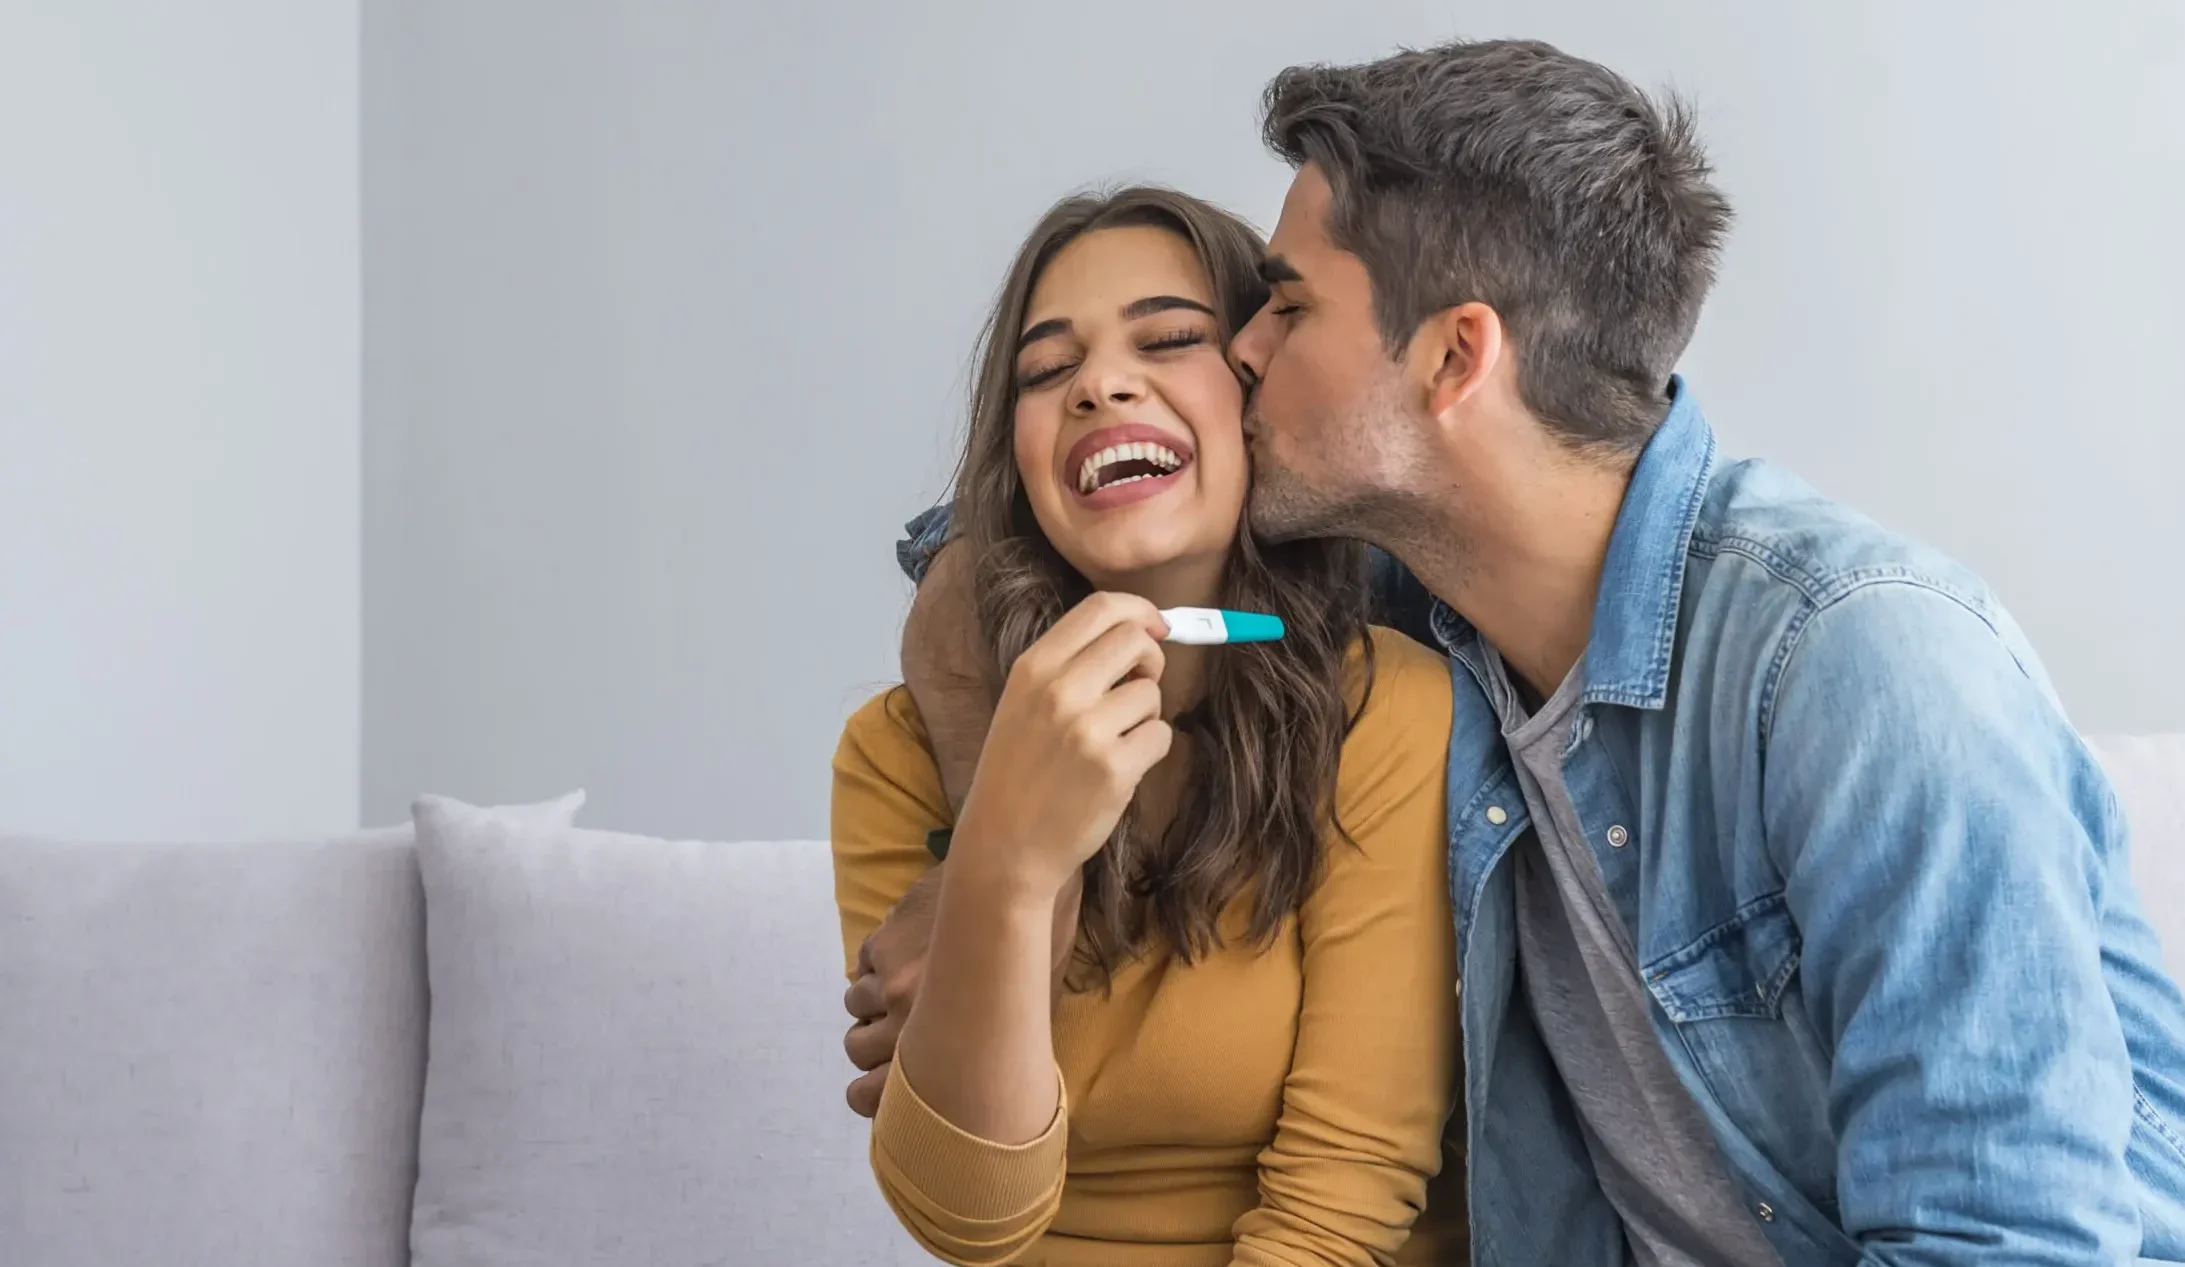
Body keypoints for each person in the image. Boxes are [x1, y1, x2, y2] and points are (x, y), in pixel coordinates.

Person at [854, 36, 2185, 1267]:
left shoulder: (1860, 672)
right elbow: (991, 554)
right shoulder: (1425, 612)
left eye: (1287, 309)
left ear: (1451, 359)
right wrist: (997, 865)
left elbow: (2007, 1241)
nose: (1242, 355)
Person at [829, 185, 1467, 1267]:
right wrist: (1011, 855)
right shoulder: (894, 754)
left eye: (1170, 339)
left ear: (1261, 394)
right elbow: (964, 1218)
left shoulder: (1384, 707)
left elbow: (1341, 1204)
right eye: (1044, 371)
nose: (1098, 385)